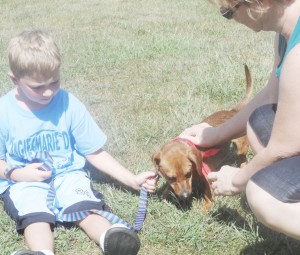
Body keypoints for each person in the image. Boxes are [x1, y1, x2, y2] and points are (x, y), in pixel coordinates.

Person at [0, 30, 157, 255]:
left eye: (54, 82)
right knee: (35, 215)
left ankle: (111, 238)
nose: (48, 93)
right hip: (24, 180)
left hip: (68, 174)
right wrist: (17, 174)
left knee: (84, 207)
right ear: (14, 79)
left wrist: (132, 179)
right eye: (36, 87)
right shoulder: (4, 111)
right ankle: (42, 252)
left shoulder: (68, 103)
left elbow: (94, 151)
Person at [180, 0, 300, 240]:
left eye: (227, 12)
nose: (229, 19)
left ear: (259, 3)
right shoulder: (286, 35)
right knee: (259, 122)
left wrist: (237, 180)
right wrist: (214, 133)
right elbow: (270, 96)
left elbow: (283, 147)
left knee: (261, 195)